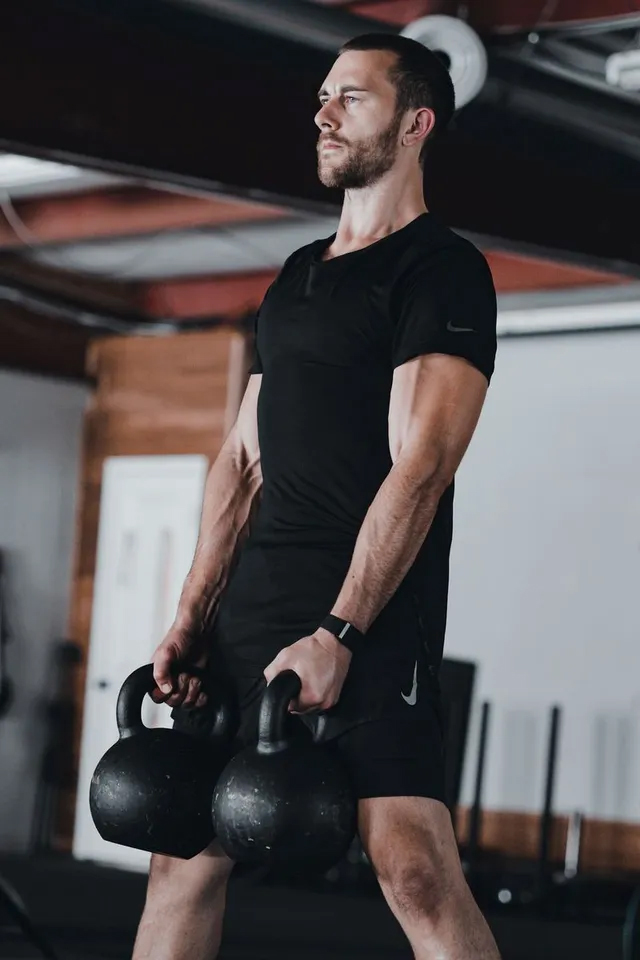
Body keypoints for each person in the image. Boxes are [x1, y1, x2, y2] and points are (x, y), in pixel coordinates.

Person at [133, 32, 500, 960]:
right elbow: (241, 461)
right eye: (323, 96)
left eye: (352, 98)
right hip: (254, 609)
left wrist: (339, 632)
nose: (324, 114)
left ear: (415, 125)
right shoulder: (295, 277)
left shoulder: (441, 270)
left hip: (372, 616)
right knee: (185, 855)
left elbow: (422, 466)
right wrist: (191, 615)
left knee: (412, 870)